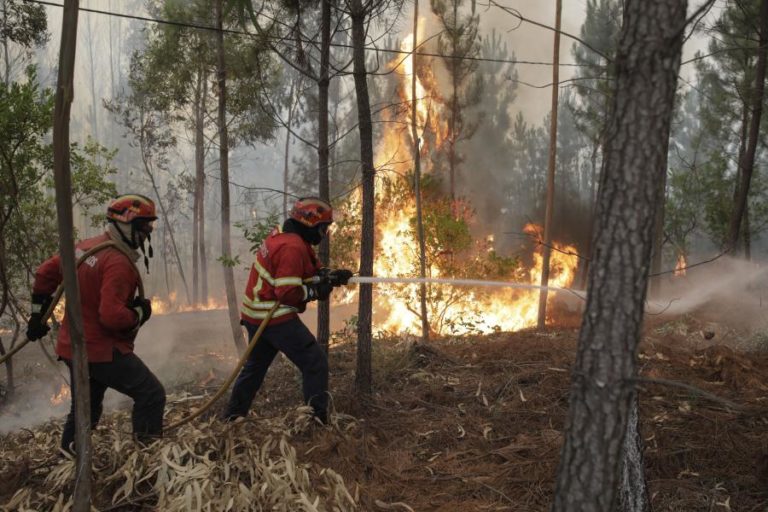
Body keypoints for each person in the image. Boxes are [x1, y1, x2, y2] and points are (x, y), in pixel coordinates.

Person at [27, 193, 166, 452]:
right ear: (125, 225)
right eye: (143, 226)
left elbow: (46, 272)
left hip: (73, 347)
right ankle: (148, 458)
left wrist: (37, 314)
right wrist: (139, 313)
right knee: (151, 394)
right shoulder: (118, 263)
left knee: (85, 409)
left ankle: (71, 458)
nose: (147, 233)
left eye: (149, 226)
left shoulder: (85, 247)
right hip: (101, 351)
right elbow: (111, 316)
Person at [224, 197, 353, 424]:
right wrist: (315, 292)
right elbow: (287, 292)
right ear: (310, 224)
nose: (324, 235)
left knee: (254, 369)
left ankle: (231, 417)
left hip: (255, 315)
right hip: (273, 317)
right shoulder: (291, 247)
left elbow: (301, 266)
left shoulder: (285, 234)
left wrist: (328, 275)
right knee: (314, 362)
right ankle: (316, 422)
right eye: (322, 229)